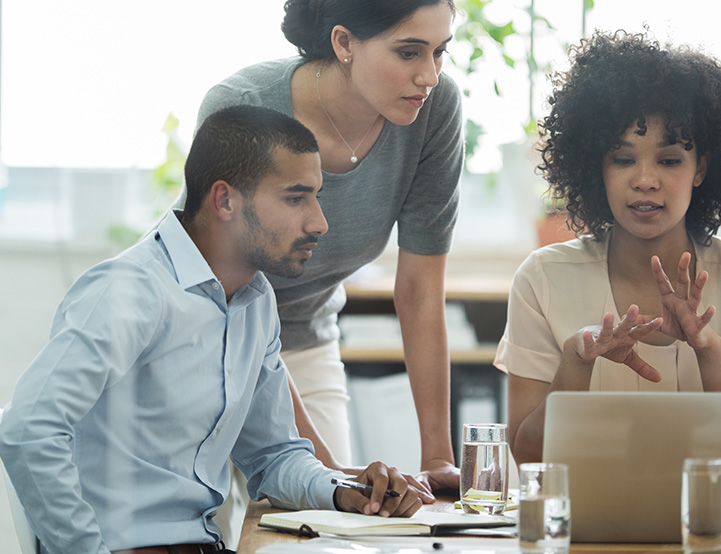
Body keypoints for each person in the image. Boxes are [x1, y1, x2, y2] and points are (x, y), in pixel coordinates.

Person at [0, 105, 422, 554]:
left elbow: (274, 455)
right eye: (295, 198)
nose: (319, 222)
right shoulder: (128, 292)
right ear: (225, 200)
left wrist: (344, 490)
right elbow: (29, 428)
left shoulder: (255, 301)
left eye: (316, 197)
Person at [495, 30, 721, 465]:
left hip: (717, 529)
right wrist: (575, 362)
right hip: (587, 527)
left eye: (669, 160)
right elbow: (527, 458)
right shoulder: (543, 278)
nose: (645, 179)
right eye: (623, 159)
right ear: (597, 167)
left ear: (701, 168)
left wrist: (710, 351)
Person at [191, 0, 462, 491]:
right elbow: (231, 299)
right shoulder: (243, 107)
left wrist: (439, 458)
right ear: (343, 44)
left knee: (325, 535)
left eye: (440, 52)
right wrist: (321, 467)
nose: (430, 77)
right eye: (408, 53)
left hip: (307, 339)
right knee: (237, 523)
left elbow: (420, 292)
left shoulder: (433, 112)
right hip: (208, 340)